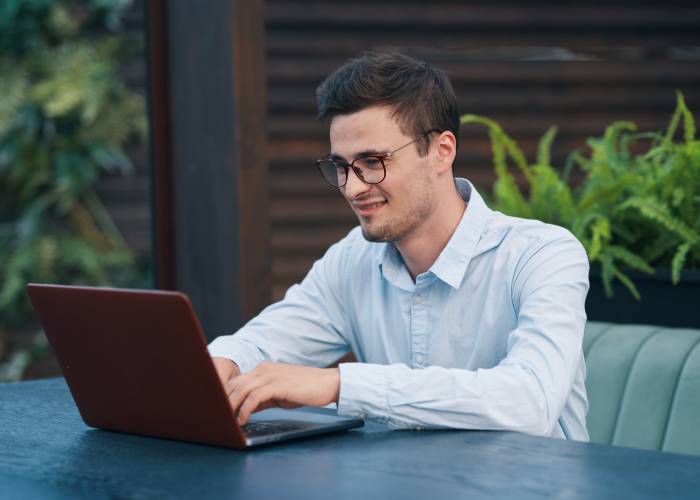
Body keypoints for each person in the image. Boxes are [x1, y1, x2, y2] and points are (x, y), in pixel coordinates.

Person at [208, 52, 590, 440]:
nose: (352, 187)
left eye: (372, 161)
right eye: (341, 167)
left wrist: (341, 386)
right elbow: (263, 342)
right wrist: (224, 362)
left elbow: (532, 402)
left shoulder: (543, 255)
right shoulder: (352, 260)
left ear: (442, 151)